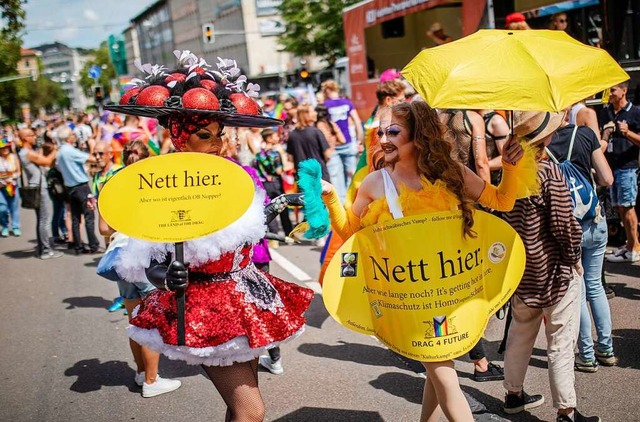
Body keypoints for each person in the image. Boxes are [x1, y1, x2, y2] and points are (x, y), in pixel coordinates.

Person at [109, 52, 313, 420]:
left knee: (240, 409)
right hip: (205, 309)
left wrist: (283, 202)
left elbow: (241, 232)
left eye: (219, 135)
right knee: (251, 411)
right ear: (181, 140)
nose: (217, 144)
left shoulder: (234, 177)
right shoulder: (163, 186)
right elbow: (150, 258)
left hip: (244, 300)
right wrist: (165, 276)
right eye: (205, 136)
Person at [321, 101, 534, 422]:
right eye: (380, 132)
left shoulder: (453, 174)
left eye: (393, 131)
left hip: (451, 292)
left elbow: (501, 201)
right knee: (446, 377)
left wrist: (511, 167)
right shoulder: (376, 183)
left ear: (419, 136)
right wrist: (331, 199)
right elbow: (350, 231)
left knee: (439, 375)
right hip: (411, 300)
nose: (383, 139)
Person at [501, 111, 600, 422]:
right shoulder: (549, 173)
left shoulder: (510, 173)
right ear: (543, 137)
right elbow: (564, 225)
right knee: (560, 341)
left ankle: (513, 395)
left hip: (523, 272)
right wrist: (574, 260)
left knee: (520, 337)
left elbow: (506, 219)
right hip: (555, 273)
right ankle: (566, 411)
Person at [548, 118, 616, 373]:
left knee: (578, 291)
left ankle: (586, 355)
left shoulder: (542, 143)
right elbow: (607, 178)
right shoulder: (585, 134)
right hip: (594, 220)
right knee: (595, 285)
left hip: (567, 226)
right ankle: (606, 349)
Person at [599, 81, 640, 262]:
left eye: (613, 89)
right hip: (611, 166)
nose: (610, 93)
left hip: (628, 166)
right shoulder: (606, 112)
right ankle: (630, 244)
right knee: (619, 208)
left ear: (624, 91)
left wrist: (627, 132)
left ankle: (634, 248)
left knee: (628, 206)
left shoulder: (635, 113)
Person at [55, 126, 102, 254]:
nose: (74, 136)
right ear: (67, 138)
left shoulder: (59, 152)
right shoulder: (70, 150)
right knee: (89, 215)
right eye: (71, 134)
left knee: (76, 217)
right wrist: (93, 147)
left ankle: (78, 245)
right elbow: (90, 158)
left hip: (69, 187)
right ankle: (94, 244)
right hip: (81, 185)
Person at [17, 128, 63, 259]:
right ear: (25, 138)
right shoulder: (27, 153)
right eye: (31, 135)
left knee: (41, 219)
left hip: (36, 187)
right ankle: (46, 251)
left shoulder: (26, 152)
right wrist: (55, 149)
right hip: (39, 188)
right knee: (44, 220)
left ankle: (43, 248)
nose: (34, 137)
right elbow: (47, 162)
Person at [321, 80, 364, 186]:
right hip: (349, 143)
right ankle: (351, 201)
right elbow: (357, 121)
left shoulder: (325, 105)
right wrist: (360, 141)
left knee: (335, 178)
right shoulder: (347, 103)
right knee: (351, 176)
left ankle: (340, 201)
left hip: (334, 145)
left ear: (327, 90)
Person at [255, 128, 293, 238]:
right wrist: (289, 164)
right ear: (269, 139)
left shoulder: (259, 154)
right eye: (275, 136)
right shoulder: (275, 154)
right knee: (282, 209)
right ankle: (289, 234)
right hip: (276, 183)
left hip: (264, 184)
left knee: (270, 210)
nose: (277, 138)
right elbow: (279, 170)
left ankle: (274, 236)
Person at [286, 103, 332, 182]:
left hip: (303, 177)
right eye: (313, 111)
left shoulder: (292, 135)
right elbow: (327, 155)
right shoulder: (316, 132)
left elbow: (290, 158)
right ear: (306, 115)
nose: (316, 113)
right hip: (319, 175)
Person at [0, 138, 21, 237]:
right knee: (2, 208)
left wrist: (13, 178)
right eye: (2, 148)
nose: (5, 149)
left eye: (6, 147)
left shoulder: (14, 157)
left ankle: (15, 226)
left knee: (14, 207)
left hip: (13, 185)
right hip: (1, 187)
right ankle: (4, 226)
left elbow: (19, 172)